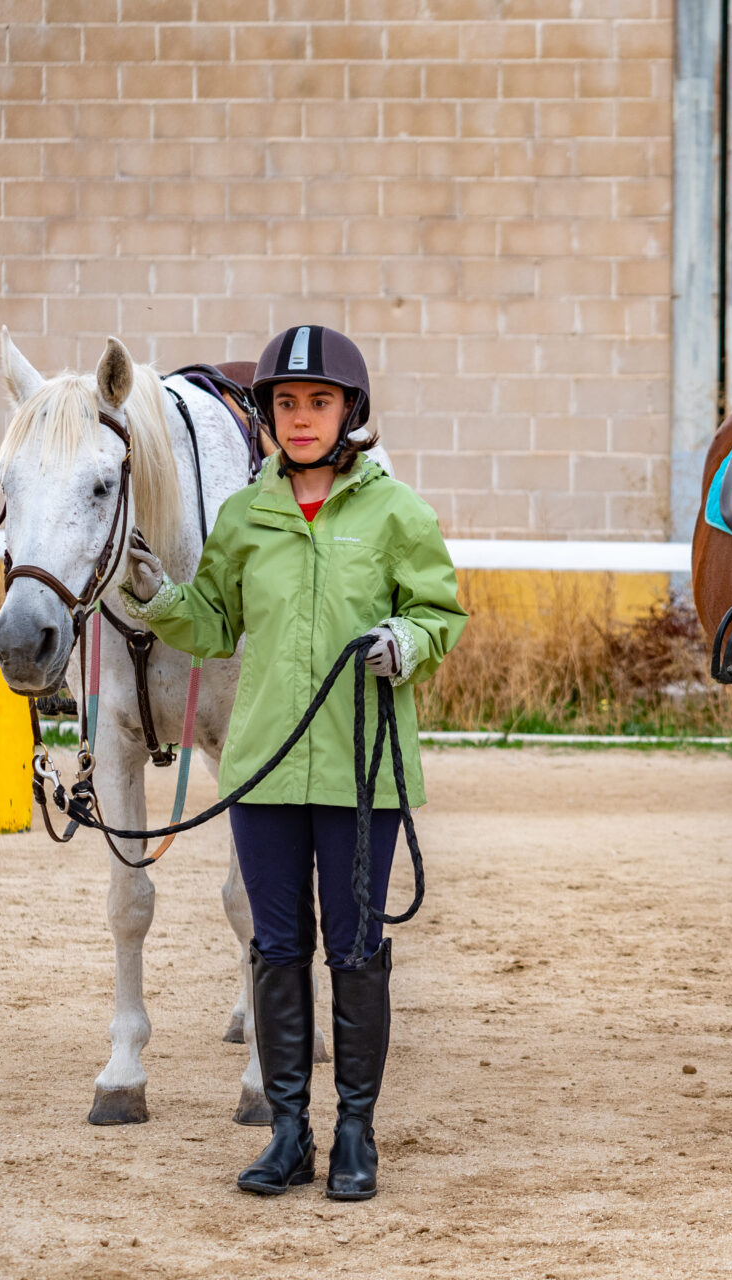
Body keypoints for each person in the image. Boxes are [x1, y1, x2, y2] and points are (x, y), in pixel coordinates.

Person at [120, 325, 466, 1199]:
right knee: (277, 949)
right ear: (268, 415)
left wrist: (407, 638)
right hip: (265, 769)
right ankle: (287, 1133)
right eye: (285, 404)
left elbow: (441, 613)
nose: (301, 418)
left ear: (351, 411)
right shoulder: (246, 516)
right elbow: (211, 625)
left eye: (318, 402)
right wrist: (160, 597)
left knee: (354, 949)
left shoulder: (397, 513)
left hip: (362, 771)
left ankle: (355, 1133)